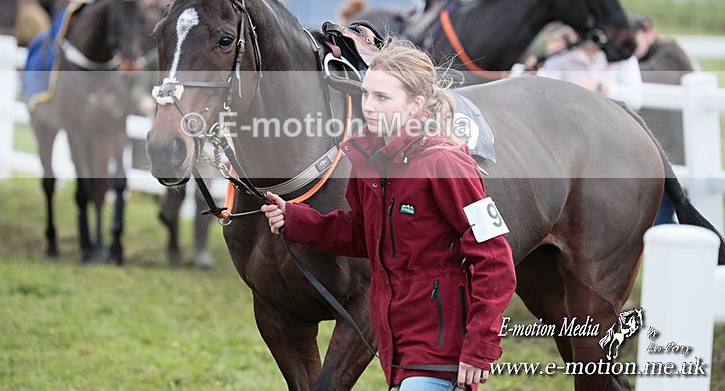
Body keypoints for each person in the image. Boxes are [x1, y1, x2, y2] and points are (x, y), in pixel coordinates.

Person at [262, 41, 516, 390]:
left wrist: (480, 347)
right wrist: (296, 220)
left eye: (383, 98)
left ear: (416, 105)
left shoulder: (446, 163)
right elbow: (362, 232)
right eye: (366, 94)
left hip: (442, 352)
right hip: (396, 348)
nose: (368, 106)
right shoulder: (370, 160)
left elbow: (495, 259)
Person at [632, 14, 696, 224]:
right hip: (658, 163)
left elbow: (646, 76)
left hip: (681, 159)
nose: (629, 43)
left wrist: (613, 76)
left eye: (634, 36)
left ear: (649, 33)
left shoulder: (671, 54)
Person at [537, 24, 643, 110]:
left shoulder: (623, 57)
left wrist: (601, 88)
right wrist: (572, 92)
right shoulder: (559, 57)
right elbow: (546, 96)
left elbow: (635, 100)